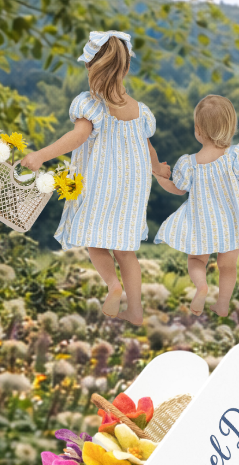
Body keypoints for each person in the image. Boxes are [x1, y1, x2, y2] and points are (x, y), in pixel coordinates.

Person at [19, 31, 168, 324]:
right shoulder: (141, 112)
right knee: (126, 252)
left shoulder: (89, 104)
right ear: (125, 69)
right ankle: (136, 311)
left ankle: (113, 286)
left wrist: (40, 155)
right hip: (132, 189)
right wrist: (158, 168)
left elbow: (77, 137)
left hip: (99, 184)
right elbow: (147, 146)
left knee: (96, 242)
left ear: (90, 67)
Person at [151, 95, 239, 317]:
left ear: (198, 130)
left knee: (197, 259)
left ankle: (201, 286)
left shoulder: (189, 164)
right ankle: (223, 304)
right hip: (230, 223)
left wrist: (160, 179)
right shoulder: (236, 155)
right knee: (228, 266)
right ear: (231, 127)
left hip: (202, 222)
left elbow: (178, 189)